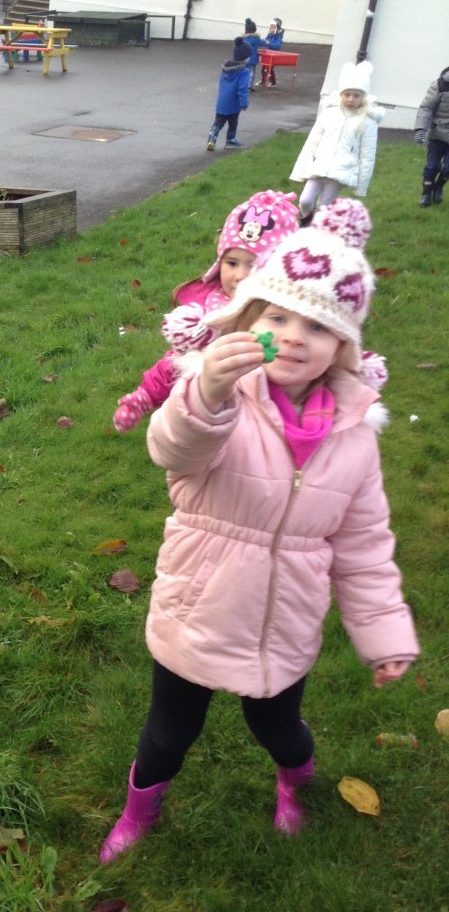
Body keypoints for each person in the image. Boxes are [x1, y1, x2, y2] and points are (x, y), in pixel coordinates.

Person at [99, 223, 418, 864]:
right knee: (168, 733)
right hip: (198, 609)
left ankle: (294, 784)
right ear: (247, 320)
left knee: (280, 730)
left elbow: (365, 547)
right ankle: (139, 810)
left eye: (318, 326)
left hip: (284, 623)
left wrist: (385, 635)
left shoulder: (355, 438)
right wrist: (207, 393)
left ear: (344, 346)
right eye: (278, 316)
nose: (295, 336)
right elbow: (172, 449)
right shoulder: (219, 402)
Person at [113, 189, 300, 431]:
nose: (240, 275)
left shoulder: (289, 318)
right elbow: (174, 363)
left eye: (254, 265)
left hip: (267, 420)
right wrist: (144, 397)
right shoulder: (208, 313)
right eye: (231, 263)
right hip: (211, 414)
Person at [290, 60, 382, 220]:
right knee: (305, 200)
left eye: (356, 95)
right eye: (347, 94)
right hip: (319, 166)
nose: (351, 99)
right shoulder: (329, 113)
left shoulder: (367, 121)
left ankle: (317, 228)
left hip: (342, 171)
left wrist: (361, 185)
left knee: (323, 207)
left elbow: (368, 155)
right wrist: (299, 170)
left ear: (363, 97)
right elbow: (312, 142)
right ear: (341, 94)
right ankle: (305, 220)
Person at [206, 37, 253, 152]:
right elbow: (242, 89)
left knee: (219, 121)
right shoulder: (244, 72)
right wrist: (244, 103)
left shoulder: (226, 69)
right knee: (233, 122)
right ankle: (230, 140)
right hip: (233, 103)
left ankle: (211, 139)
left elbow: (222, 84)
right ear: (245, 57)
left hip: (222, 100)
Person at [414, 65, 449, 207]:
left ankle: (439, 187)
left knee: (448, 168)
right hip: (437, 134)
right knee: (432, 166)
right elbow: (426, 108)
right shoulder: (440, 85)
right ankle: (426, 194)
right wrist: (420, 129)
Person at [260, 18, 284, 87]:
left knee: (269, 69)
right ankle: (263, 80)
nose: (272, 29)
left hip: (274, 54)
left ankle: (273, 82)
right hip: (267, 53)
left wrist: (268, 43)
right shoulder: (270, 34)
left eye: (273, 27)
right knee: (264, 68)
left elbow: (277, 45)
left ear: (277, 28)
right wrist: (262, 41)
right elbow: (266, 41)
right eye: (271, 27)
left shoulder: (279, 36)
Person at [243, 19, 265, 90]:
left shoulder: (244, 38)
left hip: (244, 58)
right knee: (252, 72)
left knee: (244, 72)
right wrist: (266, 42)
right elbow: (261, 43)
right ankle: (249, 86)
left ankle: (243, 84)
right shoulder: (256, 38)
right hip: (252, 59)